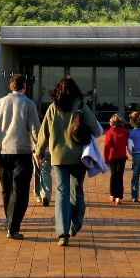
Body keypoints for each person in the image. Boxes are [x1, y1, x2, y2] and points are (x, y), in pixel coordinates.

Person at [36, 76, 101, 246]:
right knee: (77, 191)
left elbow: (44, 133)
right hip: (79, 157)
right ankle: (76, 224)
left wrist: (39, 152)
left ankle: (62, 233)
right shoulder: (80, 106)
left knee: (61, 192)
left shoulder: (52, 108)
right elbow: (97, 129)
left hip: (58, 157)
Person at [0, 73, 41, 240]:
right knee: (20, 190)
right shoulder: (29, 104)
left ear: (10, 87)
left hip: (2, 153)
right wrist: (41, 151)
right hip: (22, 153)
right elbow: (35, 130)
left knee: (7, 189)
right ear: (24, 86)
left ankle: (9, 221)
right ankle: (13, 226)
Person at [103, 113, 129, 205]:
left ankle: (112, 194)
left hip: (112, 157)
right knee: (120, 176)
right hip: (122, 157)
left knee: (113, 175)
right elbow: (128, 143)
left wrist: (106, 159)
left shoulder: (110, 132)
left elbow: (107, 147)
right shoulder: (125, 132)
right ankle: (118, 197)